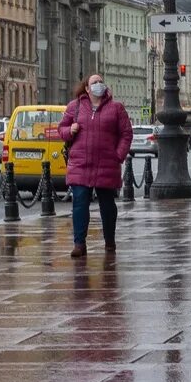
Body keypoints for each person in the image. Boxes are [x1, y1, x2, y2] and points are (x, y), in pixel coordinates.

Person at [59, 74, 133, 259]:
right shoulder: (74, 107)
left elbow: (126, 134)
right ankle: (79, 244)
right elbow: (62, 130)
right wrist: (70, 130)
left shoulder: (116, 108)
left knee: (107, 205)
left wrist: (118, 156)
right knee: (80, 202)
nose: (98, 85)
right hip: (80, 163)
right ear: (86, 88)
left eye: (101, 82)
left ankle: (109, 241)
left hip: (106, 164)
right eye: (94, 82)